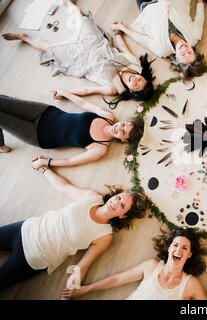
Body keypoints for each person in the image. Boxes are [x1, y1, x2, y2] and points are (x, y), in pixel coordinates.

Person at [0, 164, 147, 292]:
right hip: (26, 229)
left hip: (35, 257)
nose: (116, 202)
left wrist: (73, 288)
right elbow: (64, 187)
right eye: (119, 197)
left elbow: (82, 267)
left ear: (123, 216)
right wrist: (44, 168)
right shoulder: (93, 197)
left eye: (122, 206)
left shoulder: (105, 236)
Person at [2, 0, 155, 109]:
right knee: (84, 20)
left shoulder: (113, 89)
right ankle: (70, 3)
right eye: (139, 78)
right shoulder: (135, 65)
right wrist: (118, 33)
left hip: (82, 60)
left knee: (50, 49)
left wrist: (65, 93)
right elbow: (124, 48)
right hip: (98, 44)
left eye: (134, 84)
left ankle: (23, 37)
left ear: (130, 90)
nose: (134, 78)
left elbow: (88, 91)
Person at [61, 228, 207, 300]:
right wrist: (84, 290)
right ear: (169, 249)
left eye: (184, 248)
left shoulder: (190, 284)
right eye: (175, 245)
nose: (178, 250)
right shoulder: (152, 266)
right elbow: (116, 280)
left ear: (189, 254)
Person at [0, 92, 144, 168]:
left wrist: (48, 162)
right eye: (124, 124)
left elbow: (72, 161)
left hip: (38, 135)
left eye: (123, 132)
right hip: (45, 111)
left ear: (123, 139)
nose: (119, 128)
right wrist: (65, 93)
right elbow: (84, 104)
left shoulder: (100, 148)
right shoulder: (108, 116)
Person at [110, 0, 207, 80]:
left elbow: (141, 39)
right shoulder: (194, 36)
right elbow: (200, 17)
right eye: (189, 52)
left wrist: (121, 27)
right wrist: (200, 1)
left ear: (177, 58)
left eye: (183, 54)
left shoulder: (162, 50)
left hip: (149, 7)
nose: (185, 49)